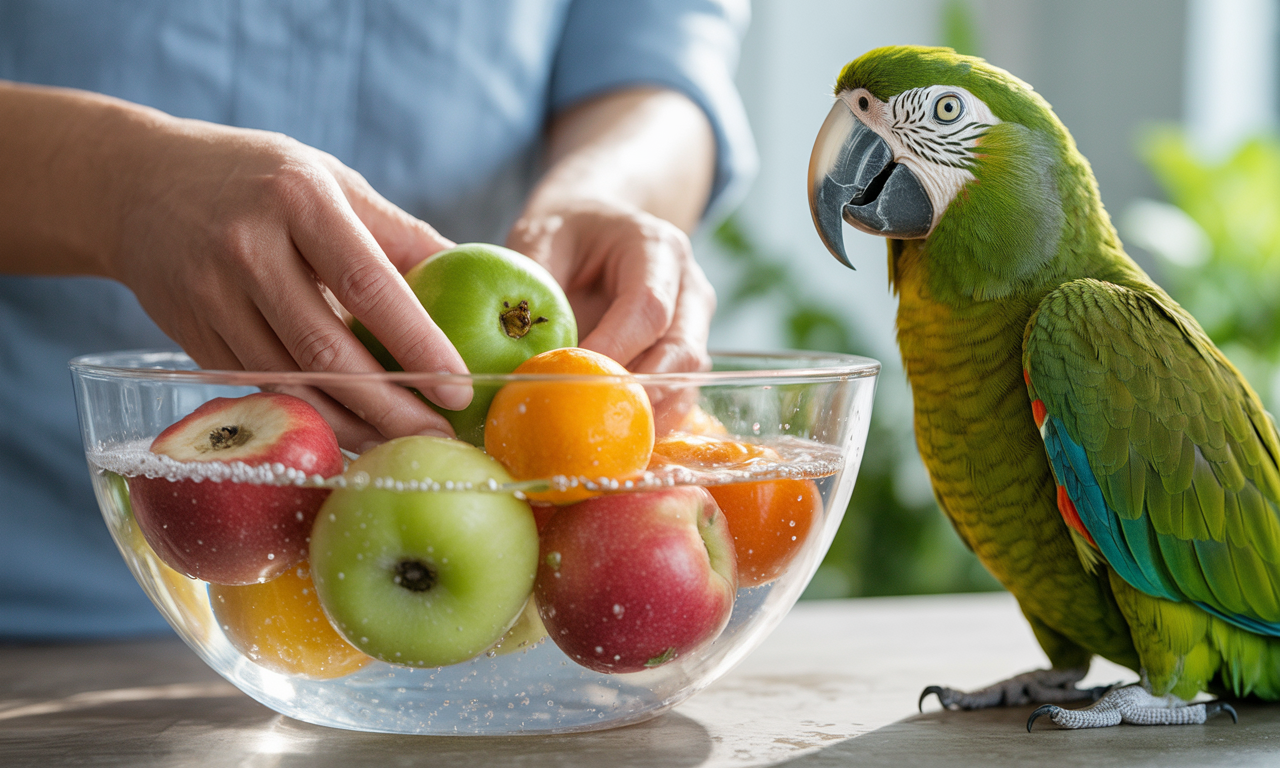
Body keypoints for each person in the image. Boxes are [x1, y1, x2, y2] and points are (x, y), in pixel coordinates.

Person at [0, 1, 756, 639]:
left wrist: (606, 193)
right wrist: (120, 186)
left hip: (496, 608)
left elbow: (660, 68)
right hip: (34, 571)